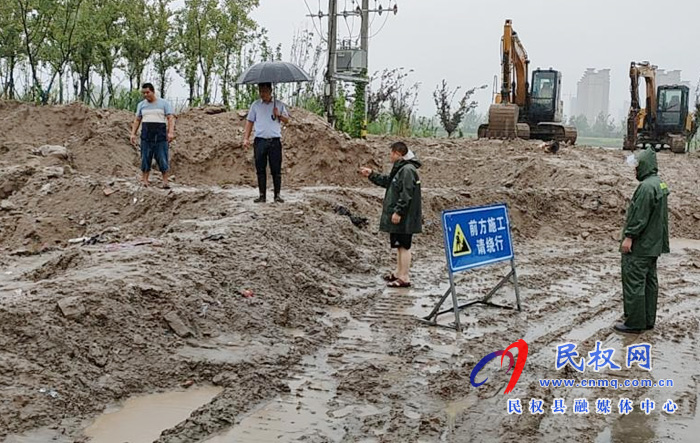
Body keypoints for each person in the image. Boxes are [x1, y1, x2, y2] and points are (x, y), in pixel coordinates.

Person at [615, 148, 669, 333]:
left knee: (635, 282)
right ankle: (647, 319)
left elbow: (640, 217)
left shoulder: (646, 188)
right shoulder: (658, 184)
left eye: (637, 167)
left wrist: (629, 236)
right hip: (653, 245)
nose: (635, 170)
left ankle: (634, 323)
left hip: (642, 246)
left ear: (645, 166)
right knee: (649, 282)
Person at [360, 141, 422, 288]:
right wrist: (372, 175)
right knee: (399, 245)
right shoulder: (401, 169)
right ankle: (398, 273)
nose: (390, 156)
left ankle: (404, 277)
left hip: (405, 218)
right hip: (401, 216)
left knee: (404, 246)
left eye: (391, 153)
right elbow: (389, 182)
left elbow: (406, 194)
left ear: (397, 153)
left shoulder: (407, 170)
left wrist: (398, 211)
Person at [242, 83, 290, 203]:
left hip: (274, 141)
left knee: (276, 169)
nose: (262, 94)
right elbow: (250, 121)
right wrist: (246, 138)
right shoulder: (256, 105)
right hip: (260, 141)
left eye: (264, 91)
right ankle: (262, 195)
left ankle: (277, 195)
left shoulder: (279, 104)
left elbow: (287, 120)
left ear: (270, 91)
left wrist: (278, 115)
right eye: (260, 91)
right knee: (260, 169)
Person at [130, 83, 175, 188]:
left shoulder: (164, 104)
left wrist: (171, 132)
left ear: (153, 91)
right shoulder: (141, 105)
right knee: (145, 158)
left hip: (160, 136)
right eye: (143, 93)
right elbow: (137, 120)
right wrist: (133, 134)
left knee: (162, 158)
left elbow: (170, 118)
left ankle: (165, 181)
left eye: (147, 92)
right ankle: (145, 180)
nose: (146, 95)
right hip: (146, 136)